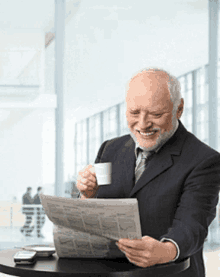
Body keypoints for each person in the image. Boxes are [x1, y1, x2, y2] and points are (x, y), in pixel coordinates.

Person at [76, 68, 220, 277]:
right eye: (134, 113)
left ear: (178, 109)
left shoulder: (204, 160)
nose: (143, 124)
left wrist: (166, 250)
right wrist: (87, 196)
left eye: (156, 114)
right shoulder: (110, 149)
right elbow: (94, 220)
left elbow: (193, 224)